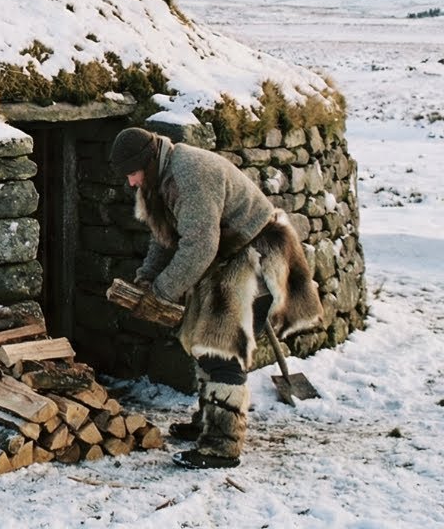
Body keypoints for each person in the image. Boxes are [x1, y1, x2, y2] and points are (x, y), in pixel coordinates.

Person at [109, 127, 323, 469]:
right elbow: (163, 237)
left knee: (222, 348)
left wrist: (163, 292)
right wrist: (147, 278)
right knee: (203, 342)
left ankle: (222, 445)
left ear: (147, 163)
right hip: (226, 256)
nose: (132, 183)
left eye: (133, 174)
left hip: (253, 253)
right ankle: (210, 421)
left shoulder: (189, 175)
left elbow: (200, 244)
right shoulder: (157, 179)